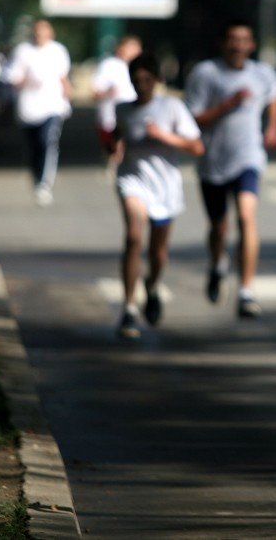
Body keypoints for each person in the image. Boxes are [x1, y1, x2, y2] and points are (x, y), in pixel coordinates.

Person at [184, 19, 276, 318]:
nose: (238, 45)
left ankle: (245, 291)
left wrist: (273, 128)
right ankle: (217, 265)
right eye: (232, 39)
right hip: (212, 161)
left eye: (244, 39)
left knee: (246, 217)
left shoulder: (262, 73)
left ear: (251, 45)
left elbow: (274, 96)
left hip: (248, 157)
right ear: (223, 42)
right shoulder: (205, 73)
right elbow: (193, 119)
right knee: (218, 226)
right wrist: (227, 105)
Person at [110, 52, 204, 339]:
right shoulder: (123, 109)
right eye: (136, 81)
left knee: (158, 252)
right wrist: (113, 145)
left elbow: (196, 147)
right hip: (132, 181)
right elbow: (117, 135)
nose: (142, 86)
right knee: (134, 237)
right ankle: (128, 308)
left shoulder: (172, 107)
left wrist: (165, 137)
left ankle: (151, 286)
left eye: (147, 80)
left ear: (157, 80)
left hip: (164, 188)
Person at [2, 17, 73, 207]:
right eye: (37, 31)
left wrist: (68, 89)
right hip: (29, 108)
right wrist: (25, 81)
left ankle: (44, 183)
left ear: (51, 33)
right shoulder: (23, 51)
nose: (40, 35)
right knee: (34, 146)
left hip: (53, 106)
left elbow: (63, 75)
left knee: (47, 141)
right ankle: (36, 176)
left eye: (44, 31)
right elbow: (10, 76)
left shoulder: (58, 51)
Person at [91, 35, 142, 170]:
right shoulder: (109, 65)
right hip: (110, 116)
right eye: (131, 48)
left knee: (127, 145)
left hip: (133, 115)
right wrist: (108, 92)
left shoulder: (141, 67)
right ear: (120, 49)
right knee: (113, 150)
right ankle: (116, 165)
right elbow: (96, 93)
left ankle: (124, 169)